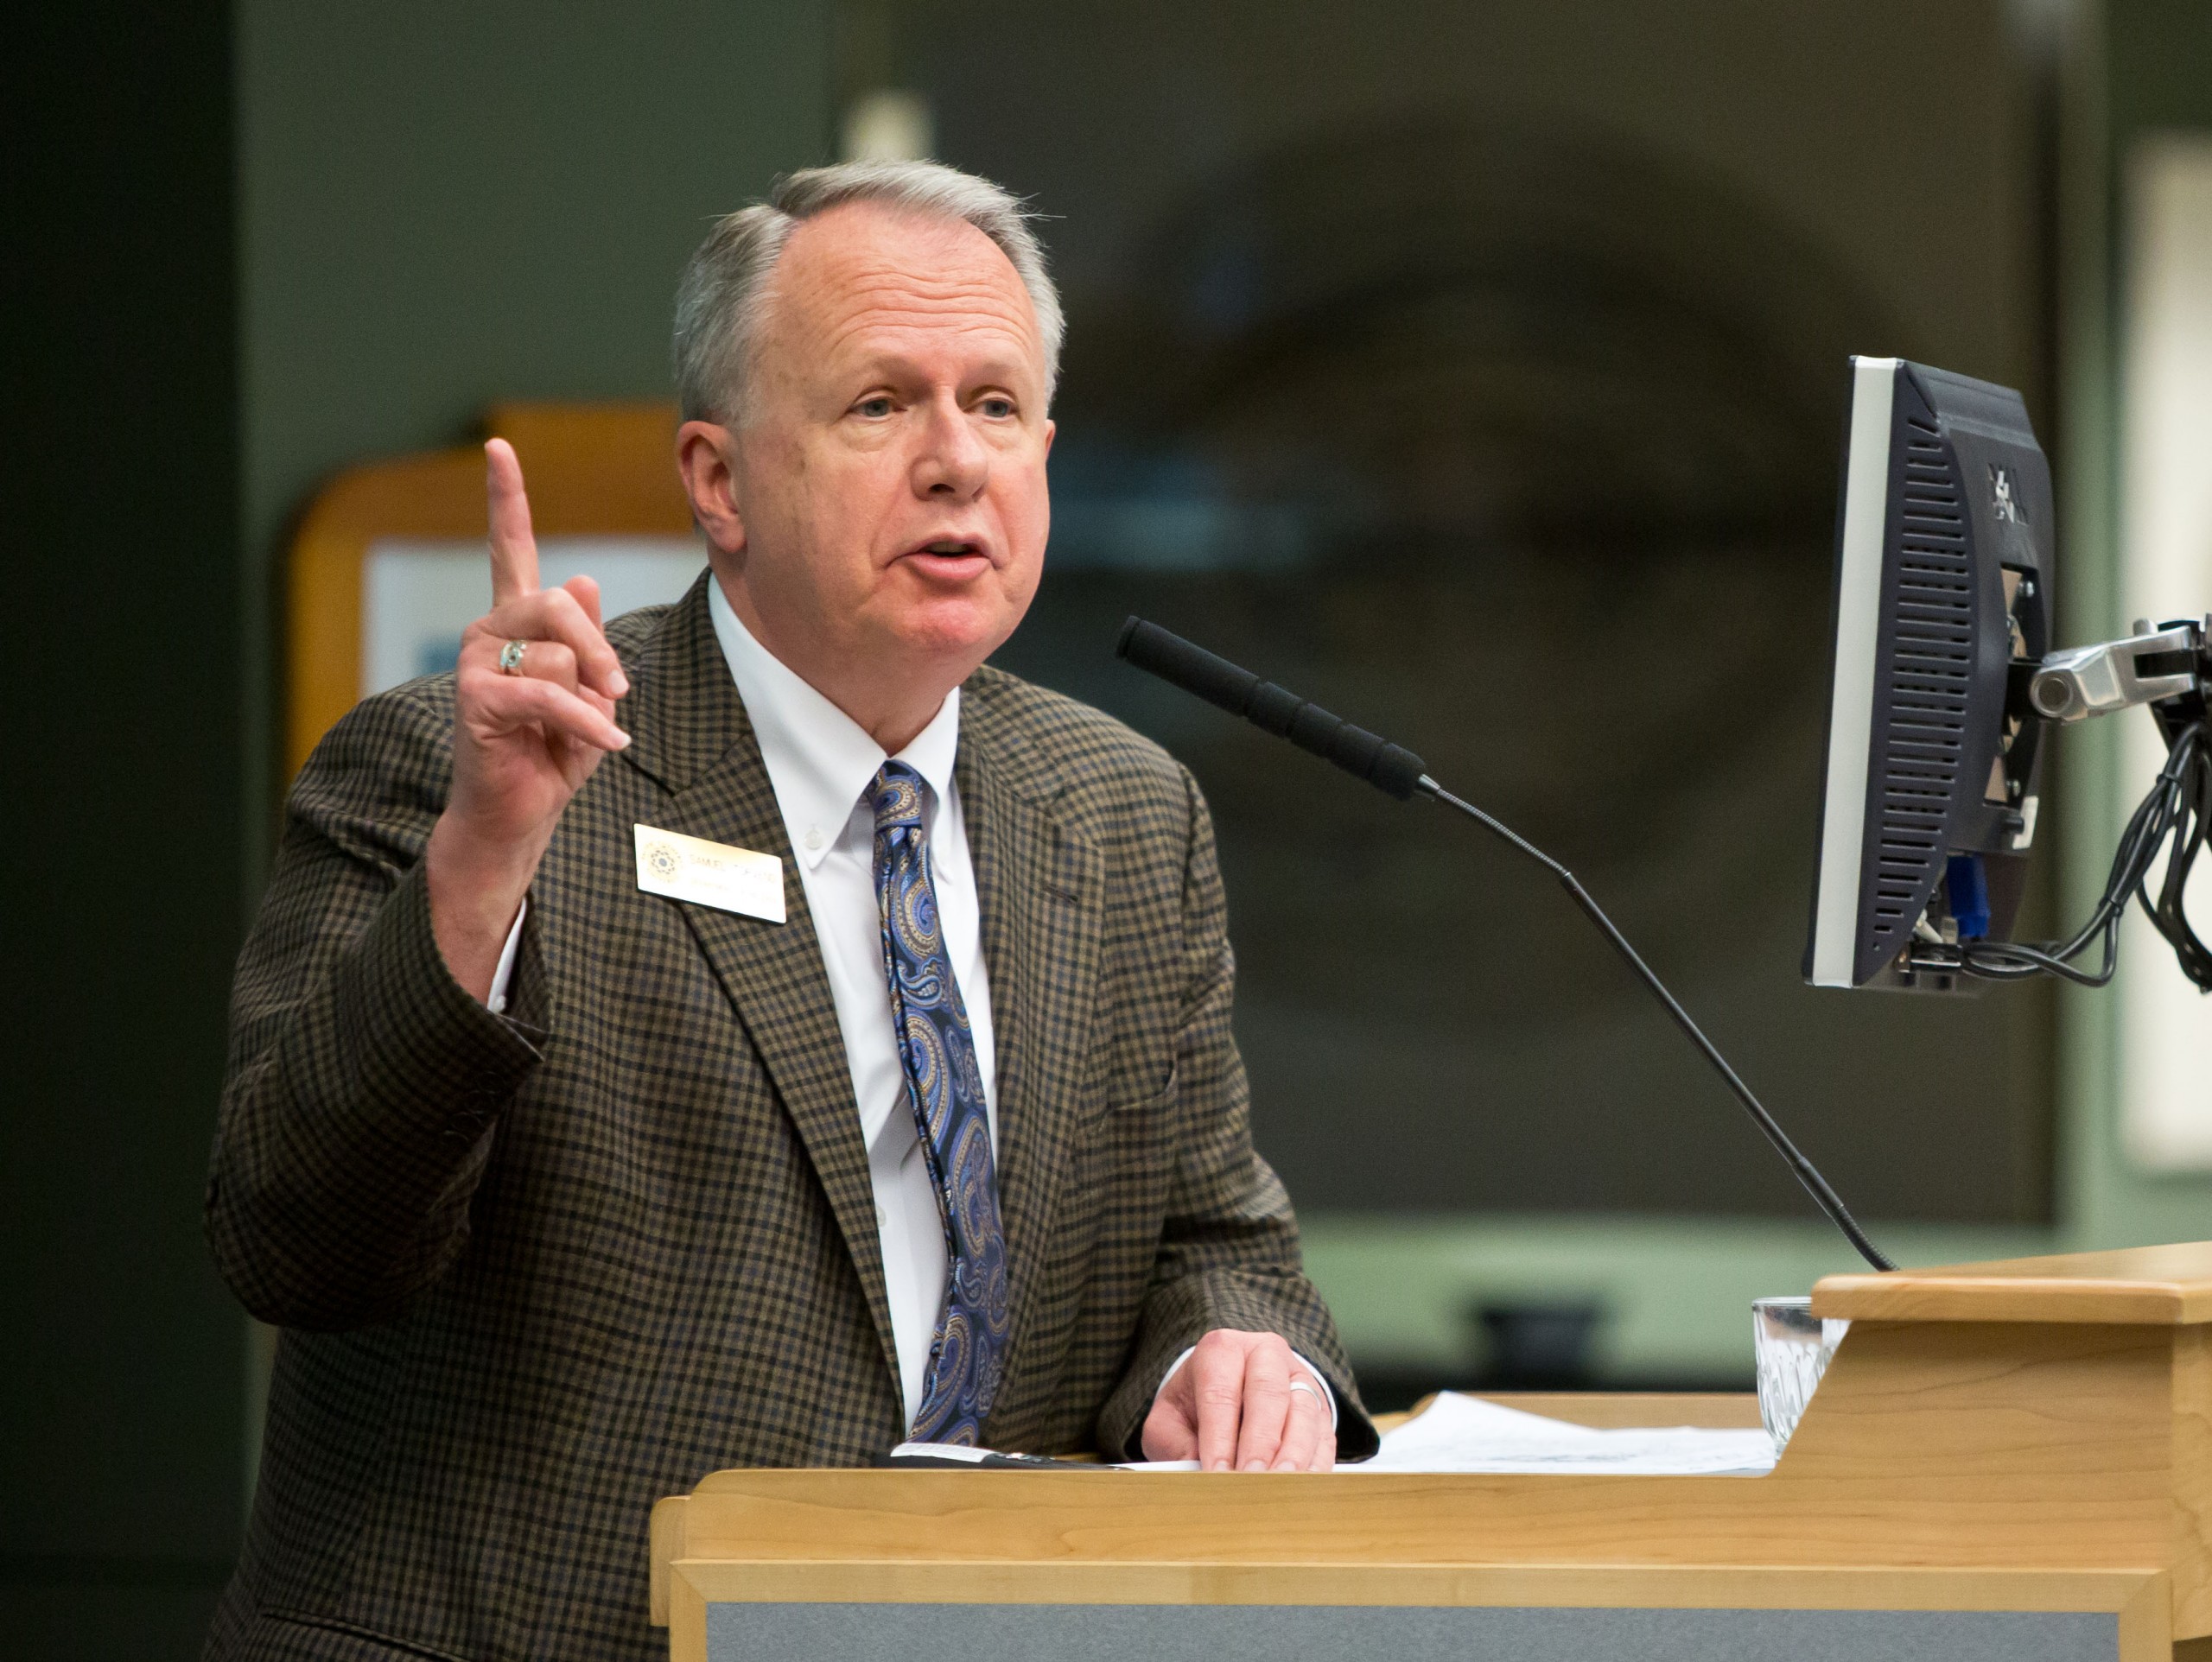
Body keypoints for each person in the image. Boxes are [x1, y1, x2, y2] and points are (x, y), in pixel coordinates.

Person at [202, 160, 1374, 1662]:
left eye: (998, 407)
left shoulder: (1122, 812)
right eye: (881, 405)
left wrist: (1238, 1351)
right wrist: (484, 862)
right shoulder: (467, 769)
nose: (957, 462)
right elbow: (299, 1246)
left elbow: (1217, 1236)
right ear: (719, 478)